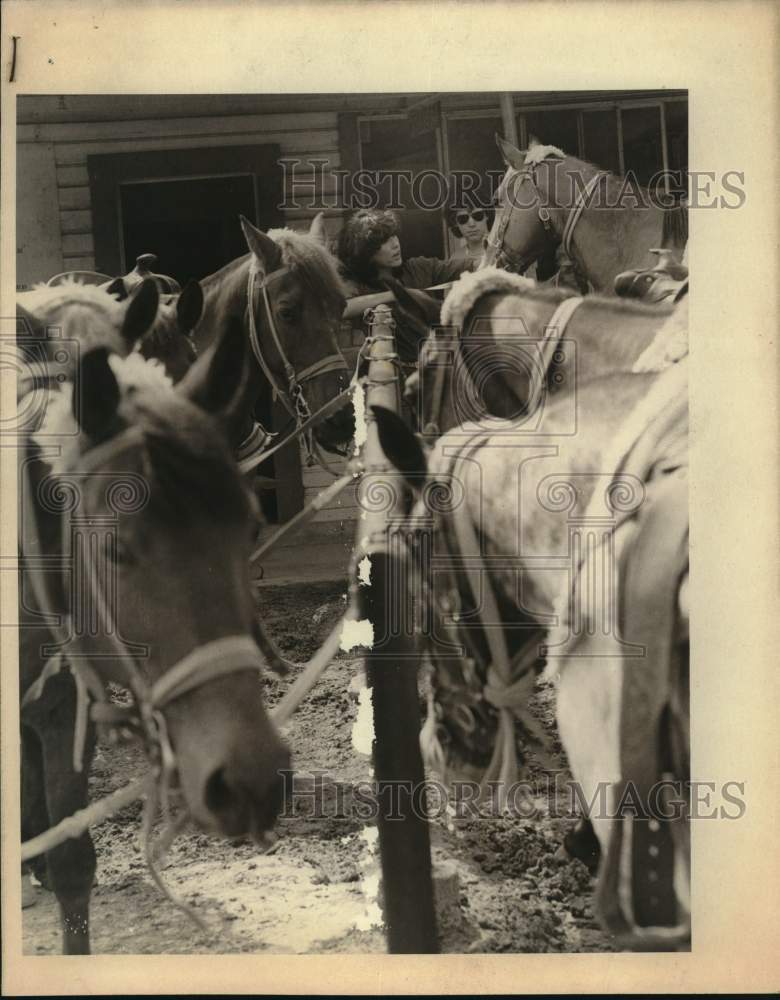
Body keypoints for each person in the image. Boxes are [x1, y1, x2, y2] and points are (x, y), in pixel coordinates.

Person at [337, 208, 471, 365]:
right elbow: (342, 309)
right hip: (397, 374)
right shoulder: (361, 286)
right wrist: (396, 294)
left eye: (393, 235)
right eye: (383, 241)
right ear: (366, 252)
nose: (395, 244)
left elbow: (473, 265)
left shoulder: (418, 267)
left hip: (444, 365)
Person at [446, 204, 494, 269]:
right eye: (463, 219)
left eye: (477, 216)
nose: (472, 224)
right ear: (455, 223)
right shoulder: (455, 259)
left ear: (487, 216)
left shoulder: (501, 253)